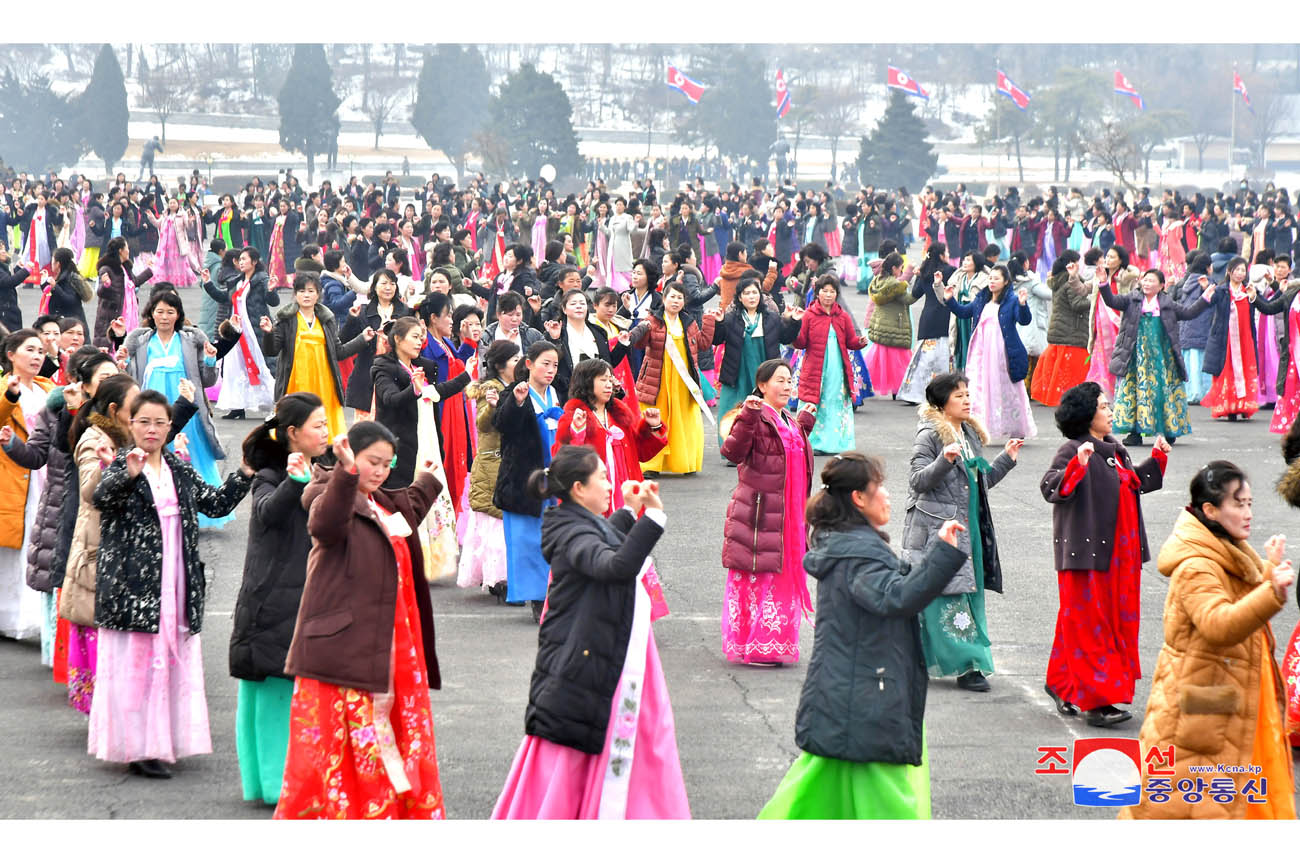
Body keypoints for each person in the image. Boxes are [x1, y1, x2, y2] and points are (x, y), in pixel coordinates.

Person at [758, 452, 967, 819]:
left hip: (846, 698)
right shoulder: (859, 555)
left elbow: (893, 589)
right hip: (867, 701)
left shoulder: (845, 545)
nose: (887, 495)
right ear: (858, 498)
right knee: (890, 807)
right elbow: (898, 597)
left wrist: (937, 551)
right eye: (879, 487)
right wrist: (943, 554)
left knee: (813, 800)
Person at [492, 445, 689, 819]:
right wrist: (654, 520)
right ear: (579, 489)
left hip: (588, 655)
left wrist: (630, 512)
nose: (609, 482)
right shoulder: (571, 533)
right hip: (584, 662)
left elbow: (601, 537)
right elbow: (613, 565)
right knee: (584, 751)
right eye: (601, 477)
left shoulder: (572, 522)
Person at [275, 423, 446, 819]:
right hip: (345, 650)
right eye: (373, 462)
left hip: (394, 648)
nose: (381, 471)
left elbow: (410, 507)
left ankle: (384, 813)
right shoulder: (326, 491)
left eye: (387, 464)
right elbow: (325, 524)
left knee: (391, 740)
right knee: (347, 745)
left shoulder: (382, 501)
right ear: (350, 455)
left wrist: (428, 480)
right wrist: (346, 473)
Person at [90, 389, 253, 779]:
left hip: (176, 582)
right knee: (137, 666)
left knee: (169, 664)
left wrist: (244, 472)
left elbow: (214, 504)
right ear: (130, 424)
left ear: (169, 427)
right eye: (143, 421)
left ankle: (163, 742)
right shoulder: (120, 463)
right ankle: (138, 747)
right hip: (134, 585)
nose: (152, 429)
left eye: (159, 422)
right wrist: (128, 476)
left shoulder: (178, 468)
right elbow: (101, 499)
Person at [1119, 461, 1296, 820]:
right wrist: (1271, 592)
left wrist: (1265, 573)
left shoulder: (1224, 545)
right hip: (1201, 702)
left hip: (1220, 694)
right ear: (1210, 510)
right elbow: (1218, 623)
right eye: (1238, 504)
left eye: (1249, 503)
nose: (1248, 513)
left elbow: (1230, 595)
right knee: (1187, 806)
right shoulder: (1196, 565)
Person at [1039, 382, 1169, 728]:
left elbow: (1132, 482)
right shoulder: (1073, 449)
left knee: (1107, 623)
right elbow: (1051, 487)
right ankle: (1097, 701)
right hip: (1086, 555)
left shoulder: (1114, 449)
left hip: (1121, 556)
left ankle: (1061, 681)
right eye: (1103, 406)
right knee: (1090, 624)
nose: (1110, 411)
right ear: (1086, 415)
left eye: (1109, 405)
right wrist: (1076, 467)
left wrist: (1157, 459)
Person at [228, 394, 332, 806]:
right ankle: (274, 786)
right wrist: (297, 482)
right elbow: (268, 513)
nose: (325, 431)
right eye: (318, 425)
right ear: (293, 434)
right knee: (270, 689)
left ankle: (266, 784)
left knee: (267, 689)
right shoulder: (271, 475)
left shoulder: (319, 468)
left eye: (326, 423)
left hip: (289, 592)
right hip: (274, 596)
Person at [902, 373, 1021, 693]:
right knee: (947, 599)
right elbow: (917, 481)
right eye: (959, 396)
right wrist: (944, 459)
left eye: (968, 394)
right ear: (942, 403)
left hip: (970, 528)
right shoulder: (929, 434)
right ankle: (968, 665)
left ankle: (940, 660)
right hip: (939, 530)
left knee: (966, 594)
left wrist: (1006, 460)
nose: (967, 400)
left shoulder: (967, 432)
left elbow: (979, 482)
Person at [718, 359, 815, 665]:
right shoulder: (754, 416)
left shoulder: (787, 419)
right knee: (759, 577)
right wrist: (747, 416)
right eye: (780, 381)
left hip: (788, 515)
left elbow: (786, 458)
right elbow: (732, 452)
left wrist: (804, 425)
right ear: (762, 385)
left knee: (782, 574)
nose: (787, 386)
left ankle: (775, 641)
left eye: (790, 380)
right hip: (759, 513)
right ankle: (757, 643)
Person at [120, 290, 229, 528]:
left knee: (191, 458)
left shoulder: (189, 341)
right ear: (151, 313)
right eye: (160, 311)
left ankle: (196, 511)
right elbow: (129, 378)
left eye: (170, 312)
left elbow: (207, 380)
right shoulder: (141, 341)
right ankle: (156, 508)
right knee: (153, 455)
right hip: (151, 408)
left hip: (186, 410)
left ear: (178, 314)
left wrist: (211, 360)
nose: (165, 317)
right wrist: (122, 362)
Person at [1101, 269, 1217, 446]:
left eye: (1151, 281)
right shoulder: (1131, 299)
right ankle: (1135, 432)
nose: (1147, 284)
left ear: (1161, 285)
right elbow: (1111, 300)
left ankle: (1169, 430)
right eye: (1145, 280)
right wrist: (1103, 283)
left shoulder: (1167, 303)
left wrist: (1205, 298)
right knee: (1134, 392)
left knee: (1163, 392)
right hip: (1135, 357)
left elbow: (1189, 313)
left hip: (1162, 358)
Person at [259, 272, 373, 440]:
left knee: (324, 432)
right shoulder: (286, 318)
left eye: (311, 291)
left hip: (324, 383)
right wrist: (269, 333)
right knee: (294, 428)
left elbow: (339, 352)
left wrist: (362, 339)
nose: (306, 295)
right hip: (295, 382)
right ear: (295, 293)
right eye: (302, 291)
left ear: (318, 294)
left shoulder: (326, 319)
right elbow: (271, 350)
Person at [494, 341, 562, 620]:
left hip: (554, 476)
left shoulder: (555, 393)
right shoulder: (514, 391)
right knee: (527, 540)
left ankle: (554, 593)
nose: (551, 370)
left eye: (555, 365)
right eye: (545, 363)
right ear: (529, 364)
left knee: (554, 537)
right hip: (524, 478)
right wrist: (517, 401)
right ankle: (537, 597)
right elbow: (502, 425)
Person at [624, 282, 717, 475]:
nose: (675, 301)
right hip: (657, 380)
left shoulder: (689, 322)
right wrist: (637, 330)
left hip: (683, 382)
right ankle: (651, 464)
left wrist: (709, 320)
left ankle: (685, 462)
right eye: (672, 296)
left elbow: (703, 343)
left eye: (679, 297)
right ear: (664, 298)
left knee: (684, 420)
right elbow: (639, 343)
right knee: (655, 418)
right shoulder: (653, 321)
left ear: (684, 301)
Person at [0, 330, 56, 640]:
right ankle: (10, 616)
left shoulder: (48, 388)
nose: (37, 356)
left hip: (47, 472)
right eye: (29, 350)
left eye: (40, 351)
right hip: (15, 475)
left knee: (39, 544)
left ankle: (33, 616)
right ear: (11, 355)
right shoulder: (4, 388)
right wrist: (9, 395)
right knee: (15, 547)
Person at [555, 358, 666, 515]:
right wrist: (576, 432)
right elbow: (563, 460)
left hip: (627, 493)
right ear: (586, 382)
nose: (609, 385)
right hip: (597, 497)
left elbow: (640, 453)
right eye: (602, 380)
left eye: (609, 379)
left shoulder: (619, 415)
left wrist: (653, 426)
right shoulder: (574, 417)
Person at [943, 264, 1037, 440]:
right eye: (991, 278)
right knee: (979, 387)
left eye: (996, 278)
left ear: (1006, 281)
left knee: (1008, 389)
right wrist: (950, 300)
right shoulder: (981, 299)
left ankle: (1016, 428)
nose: (992, 282)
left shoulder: (1011, 300)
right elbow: (964, 313)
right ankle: (979, 427)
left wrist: (1023, 305)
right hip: (981, 352)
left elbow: (1024, 320)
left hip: (1003, 354)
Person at [455, 341, 518, 599]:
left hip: (504, 460)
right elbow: (482, 424)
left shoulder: (511, 387)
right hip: (493, 462)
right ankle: (498, 578)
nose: (520, 363)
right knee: (494, 523)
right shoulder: (491, 388)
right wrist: (492, 406)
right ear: (501, 365)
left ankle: (500, 576)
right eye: (515, 360)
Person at [711, 275, 802, 448]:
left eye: (755, 292)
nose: (752, 296)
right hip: (738, 370)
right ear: (739, 297)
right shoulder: (730, 318)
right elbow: (717, 340)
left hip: (766, 368)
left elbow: (785, 337)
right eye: (747, 293)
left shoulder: (772, 317)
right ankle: (734, 447)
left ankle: (774, 444)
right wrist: (719, 323)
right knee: (735, 408)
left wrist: (793, 321)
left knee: (769, 405)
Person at [790, 275, 867, 455]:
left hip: (837, 369)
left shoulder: (842, 316)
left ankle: (836, 443)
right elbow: (800, 343)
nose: (828, 295)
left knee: (835, 402)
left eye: (832, 291)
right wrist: (793, 325)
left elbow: (850, 341)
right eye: (824, 291)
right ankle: (813, 442)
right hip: (815, 368)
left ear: (836, 294)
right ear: (817, 293)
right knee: (814, 401)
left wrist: (860, 342)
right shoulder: (808, 315)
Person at [418, 295, 479, 516]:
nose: (452, 320)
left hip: (456, 410)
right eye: (448, 315)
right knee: (445, 462)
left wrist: (468, 340)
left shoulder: (446, 343)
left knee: (458, 462)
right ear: (433, 318)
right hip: (442, 412)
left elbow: (459, 366)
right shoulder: (426, 346)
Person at [214, 247, 278, 420]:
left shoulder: (261, 279)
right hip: (237, 331)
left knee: (263, 365)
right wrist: (206, 283)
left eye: (244, 259)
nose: (240, 262)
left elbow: (273, 301)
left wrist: (272, 290)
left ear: (254, 262)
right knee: (235, 367)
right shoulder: (238, 281)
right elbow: (224, 298)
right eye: (239, 259)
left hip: (255, 330)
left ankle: (277, 403)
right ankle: (237, 406)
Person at [341, 268, 413, 419]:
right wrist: (351, 319)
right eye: (384, 283)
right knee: (367, 428)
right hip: (368, 374)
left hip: (396, 373)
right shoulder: (363, 311)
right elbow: (343, 340)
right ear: (374, 286)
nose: (388, 287)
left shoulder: (405, 311)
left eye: (392, 283)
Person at [898, 243, 955, 405]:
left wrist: (917, 275)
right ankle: (943, 392)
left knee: (923, 358)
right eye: (947, 251)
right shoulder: (950, 271)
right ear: (942, 255)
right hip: (944, 315)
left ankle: (914, 393)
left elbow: (915, 293)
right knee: (943, 357)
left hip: (928, 317)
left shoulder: (924, 271)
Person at [864, 253, 920, 399]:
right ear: (894, 268)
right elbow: (909, 299)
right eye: (900, 268)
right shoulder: (895, 285)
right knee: (900, 363)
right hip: (895, 327)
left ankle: (861, 384)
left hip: (881, 327)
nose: (901, 271)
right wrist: (920, 283)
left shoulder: (878, 281)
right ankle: (901, 389)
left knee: (876, 362)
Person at [1085, 245, 1138, 396]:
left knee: (1119, 359)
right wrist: (1073, 277)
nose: (1108, 259)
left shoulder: (1128, 278)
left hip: (1119, 325)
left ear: (1121, 260)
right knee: (1101, 360)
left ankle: (1121, 393)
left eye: (1112, 257)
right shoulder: (1100, 275)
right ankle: (1101, 393)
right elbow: (1083, 289)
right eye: (1107, 256)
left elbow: (1136, 298)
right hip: (1101, 327)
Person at [94, 237, 152, 349]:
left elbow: (134, 282)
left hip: (128, 312)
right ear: (120, 250)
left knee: (127, 344)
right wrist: (106, 284)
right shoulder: (106, 269)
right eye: (127, 248)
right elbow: (100, 291)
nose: (128, 251)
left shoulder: (125, 267)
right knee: (112, 345)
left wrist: (149, 270)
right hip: (112, 314)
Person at [944, 251, 989, 372]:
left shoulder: (984, 281)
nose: (965, 262)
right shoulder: (958, 278)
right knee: (960, 345)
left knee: (973, 347)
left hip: (973, 319)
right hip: (959, 318)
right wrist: (938, 285)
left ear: (976, 263)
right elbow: (945, 298)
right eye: (964, 259)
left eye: (969, 260)